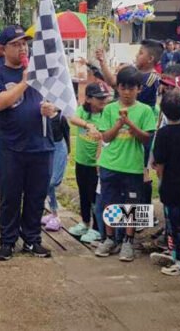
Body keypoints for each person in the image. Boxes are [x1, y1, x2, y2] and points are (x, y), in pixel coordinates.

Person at [0, 25, 55, 261]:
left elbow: (57, 102)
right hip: (12, 147)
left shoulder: (42, 71)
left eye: (24, 43)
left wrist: (52, 109)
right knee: (10, 197)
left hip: (41, 145)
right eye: (16, 44)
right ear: (2, 49)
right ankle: (7, 241)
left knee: (36, 197)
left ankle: (32, 240)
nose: (22, 48)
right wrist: (25, 82)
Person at [94, 66, 156, 262]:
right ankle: (110, 238)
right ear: (117, 88)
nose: (127, 92)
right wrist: (119, 124)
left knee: (131, 204)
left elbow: (147, 139)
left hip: (133, 166)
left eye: (132, 88)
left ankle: (128, 240)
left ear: (139, 89)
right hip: (110, 164)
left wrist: (130, 124)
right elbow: (106, 137)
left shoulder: (145, 110)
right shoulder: (110, 109)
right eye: (123, 87)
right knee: (109, 201)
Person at [151, 90, 180, 276]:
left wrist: (161, 181)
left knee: (175, 225)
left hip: (171, 186)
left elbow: (160, 165)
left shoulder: (163, 133)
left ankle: (179, 260)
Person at [67, 83, 109, 242]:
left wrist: (99, 159)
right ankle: (84, 222)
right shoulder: (83, 112)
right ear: (89, 99)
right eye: (99, 98)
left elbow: (104, 139)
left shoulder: (106, 114)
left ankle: (97, 228)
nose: (103, 101)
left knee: (95, 197)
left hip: (96, 165)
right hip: (81, 161)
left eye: (105, 98)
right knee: (83, 194)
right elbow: (72, 118)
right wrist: (87, 124)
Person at [43, 113, 70, 231]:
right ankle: (54, 213)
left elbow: (67, 134)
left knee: (52, 182)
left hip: (59, 148)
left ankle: (56, 215)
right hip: (46, 148)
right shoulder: (43, 116)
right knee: (46, 183)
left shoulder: (61, 118)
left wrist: (67, 152)